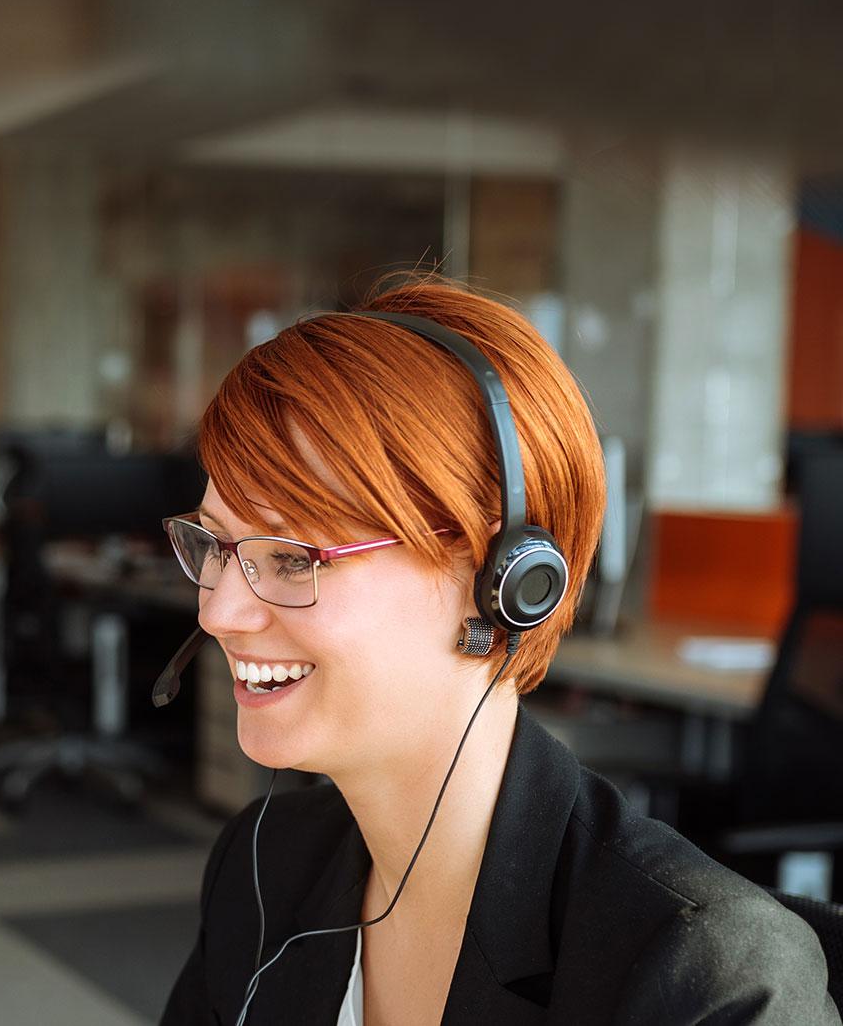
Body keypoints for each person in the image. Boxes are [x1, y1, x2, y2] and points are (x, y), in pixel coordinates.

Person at [157, 279, 837, 1025]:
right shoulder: (262, 865)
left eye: (292, 558)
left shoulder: (700, 973)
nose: (219, 611)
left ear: (500, 578)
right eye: (217, 547)